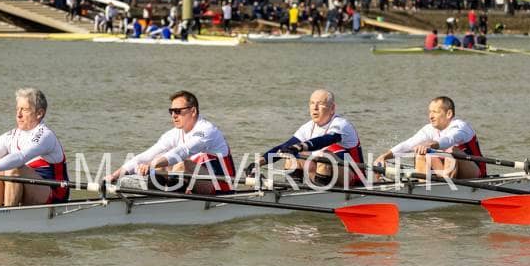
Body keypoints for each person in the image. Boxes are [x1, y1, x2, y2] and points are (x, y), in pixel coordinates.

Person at [106, 91, 236, 192]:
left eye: (178, 111)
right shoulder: (174, 133)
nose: (173, 115)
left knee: (181, 163)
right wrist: (114, 175)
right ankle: (158, 198)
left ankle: (170, 201)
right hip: (197, 182)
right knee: (159, 161)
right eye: (171, 111)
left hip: (221, 186)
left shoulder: (207, 130)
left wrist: (151, 165)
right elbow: (147, 155)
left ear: (193, 111)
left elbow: (183, 150)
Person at [246, 89, 363, 186]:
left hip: (353, 179)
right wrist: (258, 163)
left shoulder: (342, 125)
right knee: (290, 155)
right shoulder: (307, 127)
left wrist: (300, 147)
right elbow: (284, 147)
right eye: (312, 103)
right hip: (327, 177)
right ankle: (292, 191)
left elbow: (325, 140)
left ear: (332, 108)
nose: (315, 108)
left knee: (325, 155)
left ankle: (320, 196)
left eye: (320, 104)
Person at [374, 96, 485, 179]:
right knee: (421, 153)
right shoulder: (429, 129)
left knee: (451, 150)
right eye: (430, 112)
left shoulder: (460, 127)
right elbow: (408, 144)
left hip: (474, 172)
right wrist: (384, 156)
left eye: (435, 112)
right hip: (445, 171)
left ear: (449, 114)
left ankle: (445, 185)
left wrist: (431, 145)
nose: (430, 116)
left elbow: (449, 140)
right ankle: (424, 187)